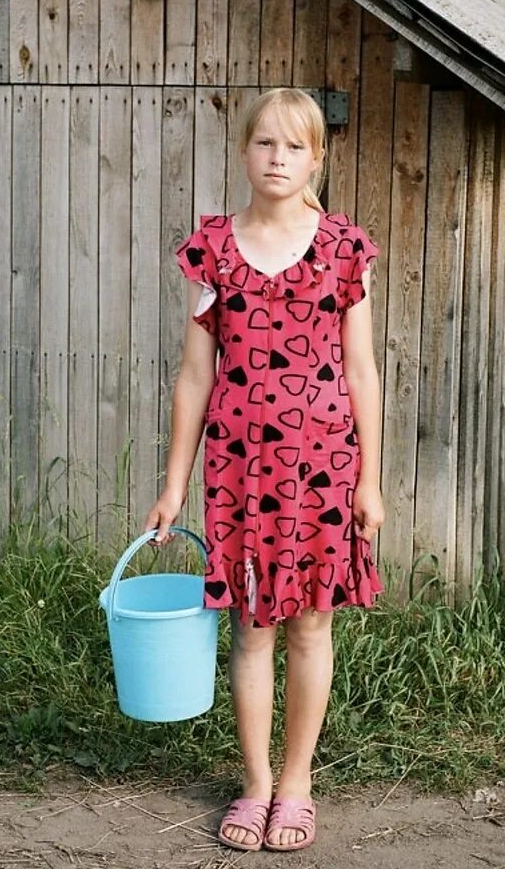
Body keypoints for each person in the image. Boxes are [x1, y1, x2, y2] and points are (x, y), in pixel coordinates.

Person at [142, 87, 384, 853]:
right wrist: (174, 483)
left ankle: (297, 787)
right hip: (239, 475)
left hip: (325, 472)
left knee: (311, 627)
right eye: (264, 144)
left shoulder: (346, 249)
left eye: (294, 146)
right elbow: (193, 377)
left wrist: (371, 482)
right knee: (252, 631)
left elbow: (363, 371)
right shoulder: (213, 249)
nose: (278, 159)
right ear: (244, 151)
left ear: (319, 156)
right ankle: (252, 785)